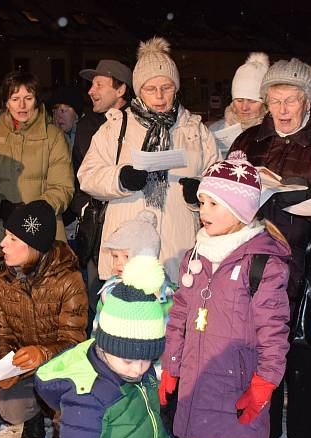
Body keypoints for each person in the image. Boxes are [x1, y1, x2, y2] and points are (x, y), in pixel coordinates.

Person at [160, 153, 291, 438]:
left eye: (214, 203)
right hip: (199, 376)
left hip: (239, 380)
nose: (204, 211)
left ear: (240, 208)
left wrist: (265, 382)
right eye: (202, 202)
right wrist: (172, 367)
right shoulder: (195, 256)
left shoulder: (262, 264)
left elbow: (274, 330)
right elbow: (179, 317)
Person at [230, 57, 311, 438]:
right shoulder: (249, 140)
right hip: (259, 258)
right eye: (273, 100)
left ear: (307, 102)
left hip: (310, 259)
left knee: (306, 352)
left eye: (290, 100)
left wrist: (307, 191)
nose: (281, 109)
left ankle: (303, 436)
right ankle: (267, 425)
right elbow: (230, 187)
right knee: (262, 347)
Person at [35, 255, 186, 438]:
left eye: (146, 360)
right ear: (104, 347)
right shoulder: (88, 395)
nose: (139, 369)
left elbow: (151, 422)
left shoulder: (143, 376)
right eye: (128, 360)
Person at [78, 37, 217, 287]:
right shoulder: (116, 127)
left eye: (167, 87)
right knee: (127, 323)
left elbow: (217, 183)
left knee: (173, 324)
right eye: (151, 89)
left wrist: (201, 194)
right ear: (139, 89)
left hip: (178, 252)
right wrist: (120, 178)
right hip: (127, 255)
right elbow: (86, 176)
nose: (160, 96)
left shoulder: (196, 130)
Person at [0, 200, 87, 438]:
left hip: (60, 365)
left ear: (32, 246)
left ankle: (62, 433)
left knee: (70, 383)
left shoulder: (68, 280)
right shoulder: (1, 280)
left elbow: (74, 341)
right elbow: (4, 332)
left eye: (12, 238)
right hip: (27, 367)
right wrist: (5, 370)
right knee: (10, 406)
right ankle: (33, 417)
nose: (2, 244)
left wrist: (43, 353)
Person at [0, 71, 74, 270]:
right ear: (6, 102)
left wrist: (33, 213)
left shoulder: (53, 136)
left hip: (43, 239)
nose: (22, 106)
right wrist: (0, 207)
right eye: (15, 99)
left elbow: (63, 188)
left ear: (36, 101)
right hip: (1, 236)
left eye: (28, 98)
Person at [71, 60, 133, 331]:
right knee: (100, 299)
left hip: (128, 229)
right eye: (91, 85)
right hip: (97, 233)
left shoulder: (136, 127)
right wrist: (85, 208)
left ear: (120, 90)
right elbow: (77, 177)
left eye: (99, 84)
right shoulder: (88, 126)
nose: (91, 91)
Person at [208, 53, 269, 158]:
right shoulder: (215, 131)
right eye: (239, 100)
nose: (244, 107)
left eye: (252, 101)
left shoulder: (272, 132)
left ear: (265, 103)